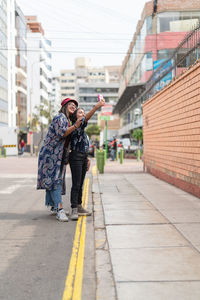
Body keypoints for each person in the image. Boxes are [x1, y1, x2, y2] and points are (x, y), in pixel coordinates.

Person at [37, 98, 83, 222]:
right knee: (55, 180)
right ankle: (59, 209)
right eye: (71, 105)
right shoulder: (60, 118)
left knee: (53, 180)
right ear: (64, 106)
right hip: (50, 154)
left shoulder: (66, 119)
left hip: (58, 155)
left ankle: (53, 206)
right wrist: (75, 126)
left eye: (75, 105)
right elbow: (62, 133)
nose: (73, 106)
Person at [69, 97, 105, 220]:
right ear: (74, 116)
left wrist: (87, 158)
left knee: (81, 184)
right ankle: (74, 208)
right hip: (75, 157)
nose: (83, 114)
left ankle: (79, 206)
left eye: (83, 113)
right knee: (76, 183)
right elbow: (86, 119)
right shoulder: (75, 127)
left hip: (83, 157)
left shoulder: (82, 129)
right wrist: (96, 107)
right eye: (80, 112)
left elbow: (84, 145)